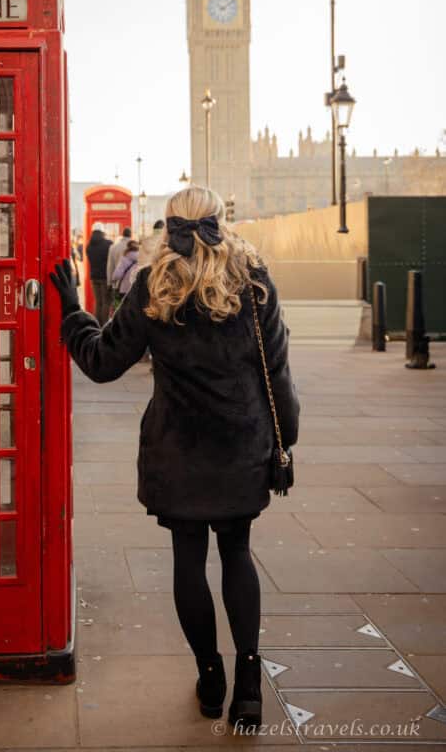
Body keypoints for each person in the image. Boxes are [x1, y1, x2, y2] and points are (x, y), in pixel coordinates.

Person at [50, 185, 300, 727]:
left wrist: (72, 310)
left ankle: (211, 677)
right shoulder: (254, 284)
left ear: (169, 228)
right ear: (221, 221)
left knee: (188, 561)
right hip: (240, 446)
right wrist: (287, 440)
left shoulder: (152, 286)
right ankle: (250, 687)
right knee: (237, 553)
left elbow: (101, 362)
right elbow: (276, 370)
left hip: (178, 451)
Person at [85, 221, 112, 326]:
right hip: (105, 276)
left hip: (93, 276)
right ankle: (104, 325)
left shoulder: (89, 246)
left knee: (98, 302)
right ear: (102, 232)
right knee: (106, 302)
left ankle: (96, 323)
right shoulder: (108, 244)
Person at [111, 239, 139, 311]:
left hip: (124, 289)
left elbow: (117, 274)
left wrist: (113, 279)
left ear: (128, 248)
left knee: (124, 310)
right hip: (136, 289)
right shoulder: (141, 258)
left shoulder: (125, 258)